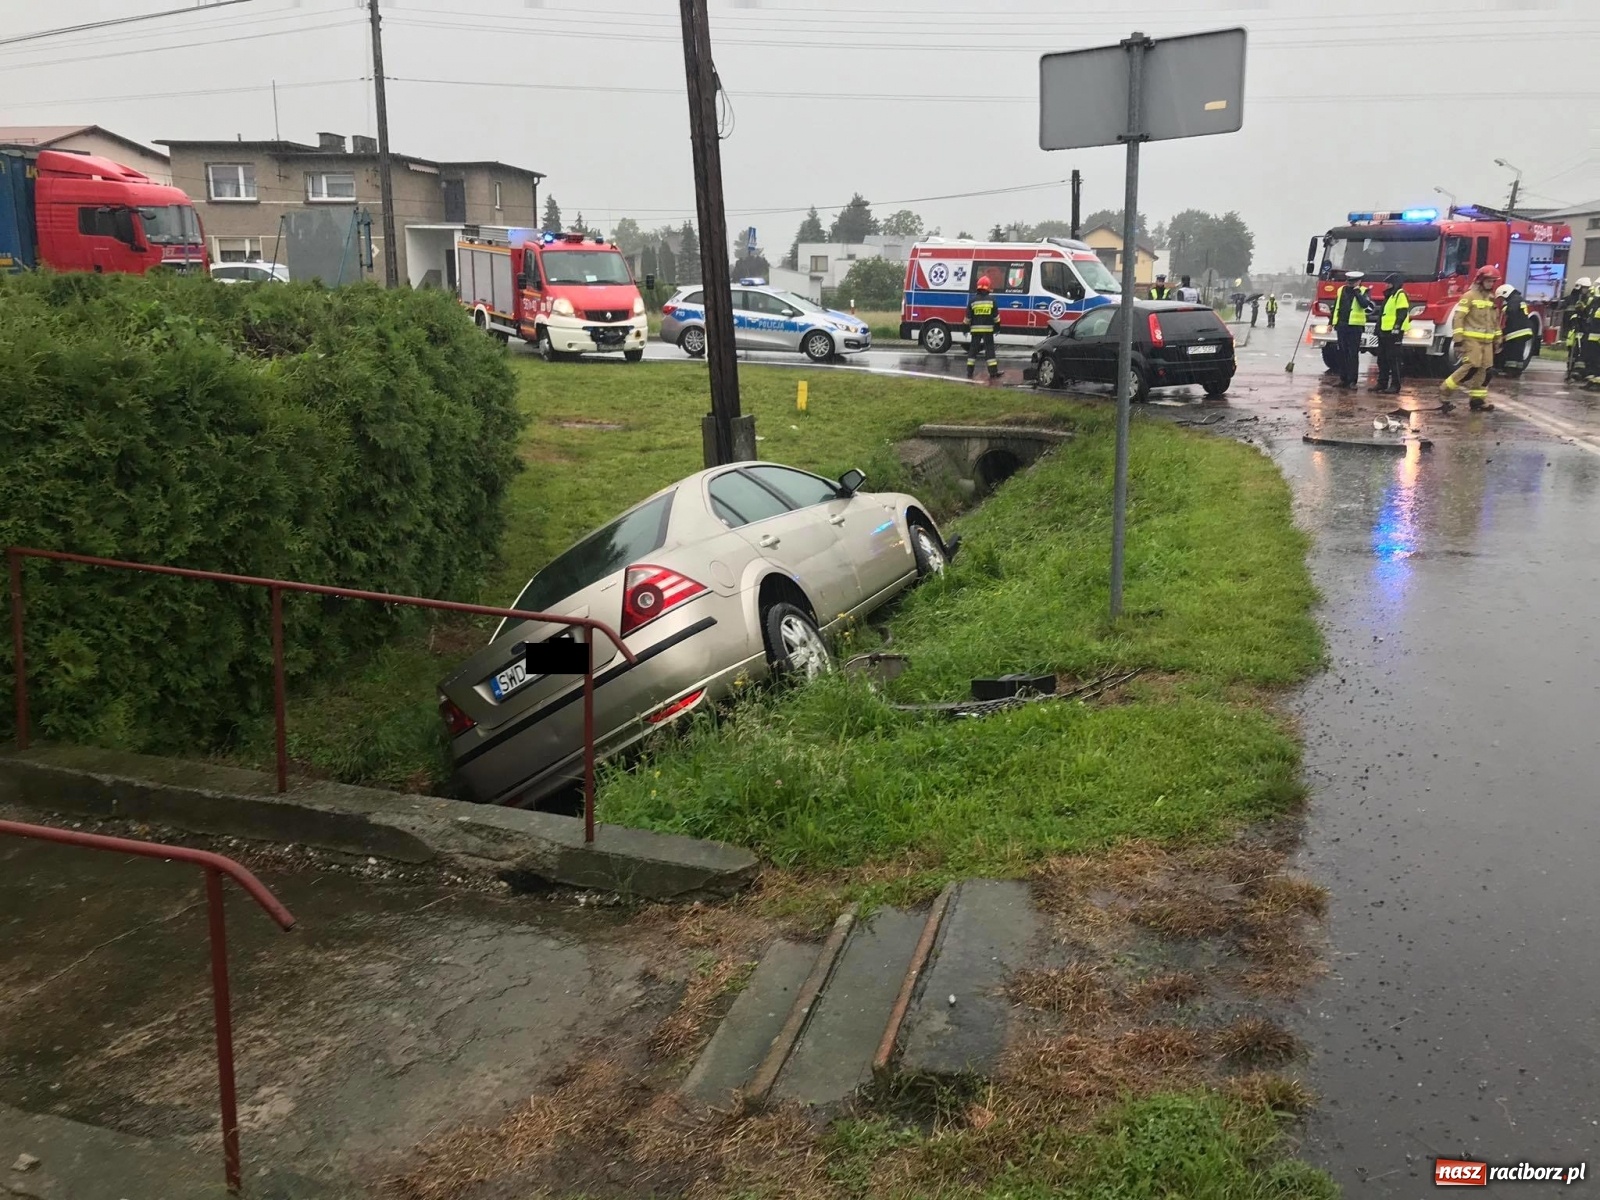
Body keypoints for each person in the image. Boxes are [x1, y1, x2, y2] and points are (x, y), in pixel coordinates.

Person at [1441, 265, 1502, 409]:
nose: (1491, 284)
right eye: (1488, 281)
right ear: (1480, 280)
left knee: (1485, 370)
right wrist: (1458, 341)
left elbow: (1495, 321)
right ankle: (1445, 391)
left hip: (1487, 342)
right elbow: (1458, 318)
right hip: (1471, 340)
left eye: (1493, 282)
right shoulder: (1468, 296)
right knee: (1471, 366)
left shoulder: (1491, 298)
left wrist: (1498, 339)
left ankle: (1477, 400)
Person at [1331, 270, 1374, 389]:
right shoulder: (1341, 290)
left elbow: (1365, 304)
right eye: (1349, 281)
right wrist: (1332, 322)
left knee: (1352, 354)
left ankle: (1352, 381)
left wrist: (1357, 292)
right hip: (1342, 325)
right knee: (1342, 353)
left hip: (1355, 326)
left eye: (1353, 282)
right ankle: (1343, 379)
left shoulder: (1365, 291)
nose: (1350, 283)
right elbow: (1336, 307)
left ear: (1359, 281)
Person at [1374, 273, 1411, 394]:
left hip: (1394, 332)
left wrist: (1396, 327)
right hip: (1384, 331)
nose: (1387, 285)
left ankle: (1395, 385)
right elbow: (1383, 314)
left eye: (1389, 283)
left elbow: (1402, 313)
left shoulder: (1400, 294)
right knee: (1382, 359)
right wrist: (1378, 329)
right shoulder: (1390, 296)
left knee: (1394, 359)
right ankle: (1382, 383)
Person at [965, 275, 1000, 380]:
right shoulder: (992, 300)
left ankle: (969, 371)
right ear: (988, 287)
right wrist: (997, 327)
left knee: (973, 351)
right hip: (988, 330)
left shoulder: (972, 301)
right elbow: (996, 317)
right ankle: (993, 372)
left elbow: (967, 318)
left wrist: (965, 328)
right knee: (990, 351)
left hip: (975, 330)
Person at [1495, 284, 1534, 371]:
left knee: (1511, 352)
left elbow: (1511, 310)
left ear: (1505, 293)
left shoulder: (1514, 300)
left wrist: (1505, 308)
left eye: (1502, 297)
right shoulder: (1518, 299)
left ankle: (1510, 371)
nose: (1503, 300)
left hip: (1517, 332)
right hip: (1524, 331)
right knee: (1518, 354)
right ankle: (1517, 371)